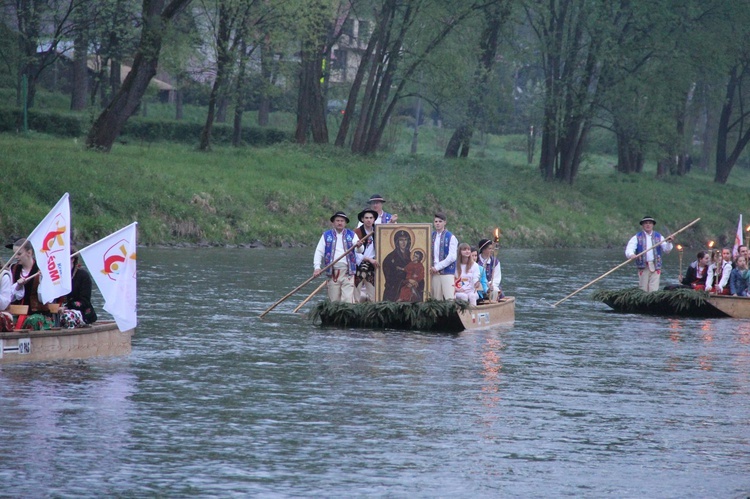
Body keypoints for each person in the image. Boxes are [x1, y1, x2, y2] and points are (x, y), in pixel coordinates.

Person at [313, 211, 363, 303]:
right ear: (333, 222)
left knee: (347, 300)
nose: (340, 223)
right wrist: (317, 267)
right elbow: (319, 252)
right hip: (332, 271)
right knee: (334, 300)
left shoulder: (352, 235)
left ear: (345, 223)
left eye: (342, 221)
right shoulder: (326, 235)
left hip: (348, 271)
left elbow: (360, 251)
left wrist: (359, 246)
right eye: (337, 220)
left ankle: (347, 316)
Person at [625, 216, 673, 292]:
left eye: (650, 223)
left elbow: (667, 250)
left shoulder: (659, 237)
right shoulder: (637, 237)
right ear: (643, 225)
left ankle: (652, 302)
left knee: (654, 290)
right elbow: (629, 248)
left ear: (653, 225)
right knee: (643, 289)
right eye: (646, 223)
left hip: (655, 266)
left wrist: (669, 242)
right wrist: (631, 255)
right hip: (643, 267)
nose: (648, 225)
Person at [10, 238, 50, 315]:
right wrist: (18, 286)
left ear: (29, 252)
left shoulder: (42, 269)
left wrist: (42, 280)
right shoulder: (12, 269)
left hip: (38, 314)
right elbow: (9, 296)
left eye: (19, 254)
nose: (16, 257)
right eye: (14, 254)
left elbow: (46, 297)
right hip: (16, 313)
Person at [59, 248, 97, 327]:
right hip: (58, 309)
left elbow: (85, 301)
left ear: (72, 259)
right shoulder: (56, 276)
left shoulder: (83, 275)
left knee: (67, 316)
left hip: (80, 312)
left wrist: (66, 307)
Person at [430, 212, 458, 300]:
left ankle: (451, 314)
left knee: (449, 297)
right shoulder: (431, 236)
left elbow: (452, 257)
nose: (437, 223)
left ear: (445, 222)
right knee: (436, 299)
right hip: (434, 273)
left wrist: (438, 267)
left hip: (447, 272)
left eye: (440, 221)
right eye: (436, 221)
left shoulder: (451, 237)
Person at [354, 209, 379, 302]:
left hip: (372, 267)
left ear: (374, 219)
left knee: (374, 296)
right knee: (355, 295)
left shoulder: (378, 231)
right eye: (366, 218)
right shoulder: (356, 233)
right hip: (358, 266)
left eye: (371, 218)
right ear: (362, 219)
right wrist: (367, 259)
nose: (369, 220)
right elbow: (354, 252)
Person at [382, 229, 413, 301]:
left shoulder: (413, 256)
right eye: (401, 240)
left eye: (405, 240)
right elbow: (389, 277)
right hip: (394, 290)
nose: (403, 242)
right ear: (397, 242)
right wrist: (404, 281)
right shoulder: (390, 258)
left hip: (409, 288)